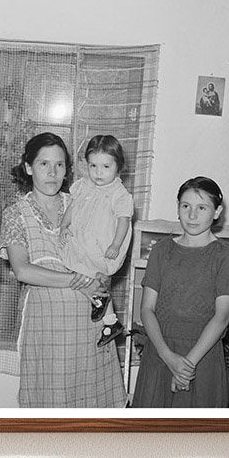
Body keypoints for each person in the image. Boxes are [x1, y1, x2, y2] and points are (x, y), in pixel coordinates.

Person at [0, 133, 127, 408]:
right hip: (48, 330)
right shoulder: (15, 214)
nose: (52, 173)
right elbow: (23, 271)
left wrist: (104, 274)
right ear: (28, 167)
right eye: (44, 164)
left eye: (59, 165)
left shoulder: (83, 201)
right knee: (50, 407)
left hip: (91, 327)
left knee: (92, 411)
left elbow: (106, 249)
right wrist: (76, 280)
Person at [131, 176, 229, 408]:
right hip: (160, 353)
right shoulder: (161, 251)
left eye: (202, 208)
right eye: (186, 206)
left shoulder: (226, 255)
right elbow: (147, 309)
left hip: (202, 356)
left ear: (217, 211)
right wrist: (168, 357)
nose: (192, 215)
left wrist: (186, 366)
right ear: (178, 208)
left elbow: (221, 318)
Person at [58, 134, 135, 347]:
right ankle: (110, 321)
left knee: (94, 273)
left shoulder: (119, 194)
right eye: (93, 166)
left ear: (119, 167)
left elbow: (123, 222)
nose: (98, 173)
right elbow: (72, 208)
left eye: (105, 167)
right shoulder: (84, 185)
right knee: (83, 271)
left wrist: (116, 245)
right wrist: (64, 225)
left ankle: (105, 308)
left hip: (101, 245)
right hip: (82, 240)